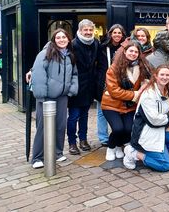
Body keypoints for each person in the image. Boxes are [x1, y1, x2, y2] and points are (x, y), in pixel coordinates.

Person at [123, 64, 169, 172]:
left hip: (163, 128)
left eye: (167, 75)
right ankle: (134, 153)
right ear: (155, 76)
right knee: (165, 166)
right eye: (162, 75)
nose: (165, 77)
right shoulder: (149, 94)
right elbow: (154, 120)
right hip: (148, 131)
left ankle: (160, 150)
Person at [30, 29, 78, 168]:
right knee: (42, 127)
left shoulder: (69, 55)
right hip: (46, 97)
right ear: (54, 39)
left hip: (62, 97)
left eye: (64, 37)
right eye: (58, 37)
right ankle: (37, 157)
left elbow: (74, 74)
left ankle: (57, 153)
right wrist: (41, 95)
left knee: (60, 126)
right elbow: (38, 74)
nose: (61, 39)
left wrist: (71, 90)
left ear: (68, 39)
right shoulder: (45, 54)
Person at [101, 41, 152, 161]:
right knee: (118, 129)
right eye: (131, 51)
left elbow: (148, 81)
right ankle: (111, 147)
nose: (133, 54)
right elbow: (114, 91)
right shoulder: (114, 68)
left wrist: (144, 85)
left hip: (129, 106)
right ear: (124, 52)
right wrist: (134, 94)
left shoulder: (141, 68)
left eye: (136, 52)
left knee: (128, 129)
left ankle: (119, 146)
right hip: (111, 104)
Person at [68, 19, 106, 155]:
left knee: (84, 115)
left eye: (91, 30)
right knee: (73, 116)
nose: (89, 32)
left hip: (89, 85)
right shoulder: (72, 44)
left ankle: (83, 140)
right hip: (76, 85)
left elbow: (101, 63)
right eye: (86, 30)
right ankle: (72, 142)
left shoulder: (96, 43)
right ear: (80, 30)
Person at [96, 24, 127, 146]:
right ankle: (103, 138)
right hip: (103, 82)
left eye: (119, 33)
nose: (117, 35)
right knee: (101, 112)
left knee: (121, 110)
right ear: (110, 34)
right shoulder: (102, 47)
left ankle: (120, 136)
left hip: (120, 83)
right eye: (115, 32)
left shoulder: (125, 48)